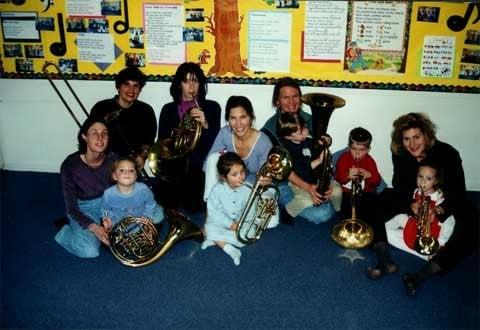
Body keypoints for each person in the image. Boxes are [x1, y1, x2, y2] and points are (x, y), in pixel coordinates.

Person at [366, 112, 478, 297]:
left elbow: (458, 192)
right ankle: (384, 259)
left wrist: (439, 210)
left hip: (441, 202)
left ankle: (422, 274)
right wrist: (411, 204)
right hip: (413, 200)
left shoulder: (448, 153)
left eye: (417, 137)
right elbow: (400, 184)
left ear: (426, 135)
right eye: (406, 139)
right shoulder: (400, 153)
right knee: (373, 204)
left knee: (473, 223)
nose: (412, 144)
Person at [261, 77, 338, 223]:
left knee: (335, 194)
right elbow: (283, 169)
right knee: (322, 214)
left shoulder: (310, 119)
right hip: (286, 182)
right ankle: (286, 208)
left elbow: (320, 149)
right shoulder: (270, 129)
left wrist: (324, 183)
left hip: (310, 173)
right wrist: (309, 188)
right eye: (285, 98)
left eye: (295, 96)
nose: (292, 102)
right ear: (277, 101)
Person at [203, 95, 279, 227]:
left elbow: (264, 178)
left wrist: (266, 179)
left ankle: (233, 213)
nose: (238, 124)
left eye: (243, 117)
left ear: (250, 117)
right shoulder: (225, 133)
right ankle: (211, 213)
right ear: (228, 119)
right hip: (231, 183)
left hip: (255, 187)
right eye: (233, 118)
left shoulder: (263, 142)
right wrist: (225, 183)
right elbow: (208, 165)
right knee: (213, 158)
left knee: (271, 222)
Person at [156, 62, 221, 212]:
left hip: (197, 165)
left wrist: (205, 124)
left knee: (194, 208)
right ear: (179, 84)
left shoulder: (212, 107)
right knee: (167, 205)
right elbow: (162, 142)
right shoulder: (168, 109)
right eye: (186, 81)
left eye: (195, 81)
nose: (191, 87)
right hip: (174, 165)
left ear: (201, 84)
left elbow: (215, 143)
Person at [54, 117, 117, 258]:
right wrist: (95, 228)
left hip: (109, 202)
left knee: (153, 216)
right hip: (84, 208)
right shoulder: (70, 165)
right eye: (94, 133)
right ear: (84, 137)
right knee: (89, 251)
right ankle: (64, 232)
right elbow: (71, 208)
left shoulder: (113, 158)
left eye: (104, 133)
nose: (100, 138)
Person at [89, 66, 157, 174]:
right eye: (127, 84)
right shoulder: (101, 108)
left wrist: (142, 157)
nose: (131, 90)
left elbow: (149, 141)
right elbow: (90, 137)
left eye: (136, 86)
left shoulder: (146, 111)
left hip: (130, 167)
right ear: (118, 87)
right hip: (104, 165)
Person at [385, 160, 455, 261]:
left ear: (436, 181)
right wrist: (410, 207)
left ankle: (431, 252)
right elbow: (403, 212)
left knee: (449, 220)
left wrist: (440, 243)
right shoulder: (415, 193)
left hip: (431, 235)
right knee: (388, 229)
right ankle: (423, 253)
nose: (423, 182)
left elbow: (449, 222)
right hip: (411, 228)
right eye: (420, 176)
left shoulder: (440, 199)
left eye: (429, 178)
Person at [277, 112, 335, 224]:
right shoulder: (287, 149)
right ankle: (288, 211)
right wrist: (319, 160)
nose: (306, 132)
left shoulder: (307, 139)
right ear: (288, 136)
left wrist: (325, 142)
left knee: (336, 190)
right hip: (298, 182)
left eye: (305, 127)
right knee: (305, 201)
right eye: (300, 132)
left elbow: (324, 140)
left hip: (311, 179)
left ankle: (338, 212)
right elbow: (301, 170)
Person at [201, 152, 250, 265]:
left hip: (240, 222)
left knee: (248, 234)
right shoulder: (217, 190)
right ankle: (230, 249)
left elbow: (250, 208)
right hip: (222, 220)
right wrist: (229, 224)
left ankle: (215, 240)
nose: (240, 177)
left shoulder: (247, 189)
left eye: (242, 172)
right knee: (208, 227)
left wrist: (240, 221)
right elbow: (214, 212)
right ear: (224, 177)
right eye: (234, 174)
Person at [100, 158, 164, 230]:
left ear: (136, 176)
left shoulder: (143, 189)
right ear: (114, 176)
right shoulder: (108, 194)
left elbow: (150, 204)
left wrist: (147, 216)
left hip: (141, 220)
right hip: (120, 223)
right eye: (122, 170)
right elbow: (105, 209)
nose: (127, 172)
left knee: (159, 214)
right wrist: (108, 219)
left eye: (131, 170)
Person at [334, 127, 382, 220]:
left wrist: (369, 175)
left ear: (368, 150)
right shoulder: (344, 158)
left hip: (366, 193)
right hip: (347, 193)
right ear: (348, 147)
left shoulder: (370, 161)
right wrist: (348, 175)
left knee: (371, 210)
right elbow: (338, 178)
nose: (357, 153)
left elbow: (377, 182)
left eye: (362, 150)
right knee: (346, 212)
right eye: (354, 149)